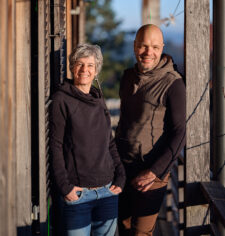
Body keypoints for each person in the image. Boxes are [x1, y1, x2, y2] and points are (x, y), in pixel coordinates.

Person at [115, 24, 186, 236]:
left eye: (155, 47)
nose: (148, 52)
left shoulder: (173, 84)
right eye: (143, 46)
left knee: (141, 233)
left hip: (152, 170)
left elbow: (179, 133)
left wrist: (154, 172)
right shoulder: (128, 77)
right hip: (123, 167)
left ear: (162, 47)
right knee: (124, 228)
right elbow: (125, 123)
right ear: (135, 46)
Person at [50, 43, 126, 236]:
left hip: (107, 191)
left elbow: (109, 142)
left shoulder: (98, 99)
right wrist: (65, 187)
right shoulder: (62, 99)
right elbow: (56, 145)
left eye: (90, 65)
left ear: (96, 70)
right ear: (72, 66)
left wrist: (121, 175)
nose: (84, 69)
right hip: (78, 194)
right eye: (79, 64)